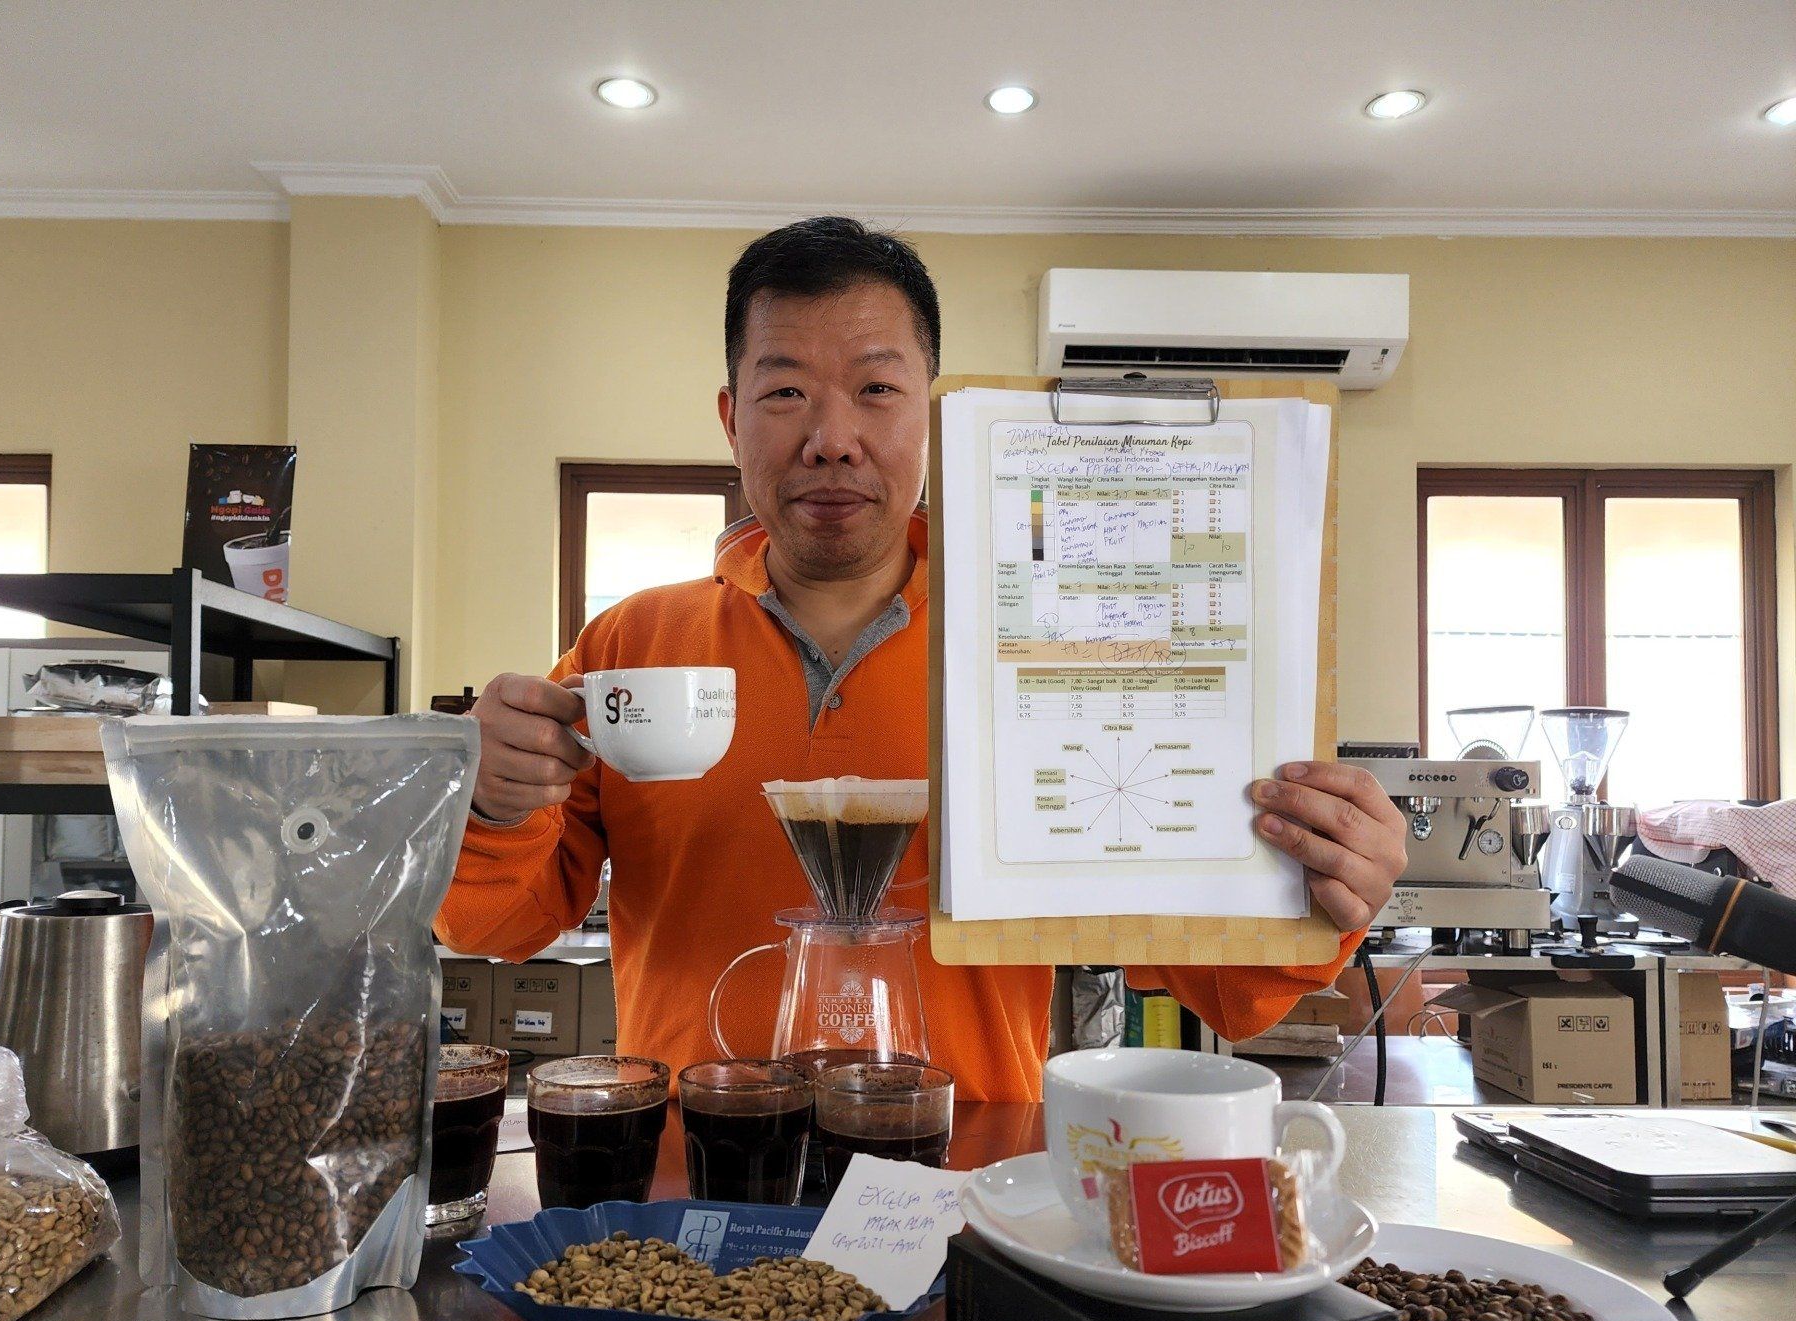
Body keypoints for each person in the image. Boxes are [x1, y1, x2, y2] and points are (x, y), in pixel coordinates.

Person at [437, 217, 1407, 1102]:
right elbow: (493, 927)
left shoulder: (1059, 643)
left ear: (932, 413)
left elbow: (1230, 984)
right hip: (701, 1169)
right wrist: (487, 803)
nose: (832, 440)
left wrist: (1327, 883)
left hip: (965, 1170)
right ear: (733, 418)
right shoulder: (628, 648)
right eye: (786, 393)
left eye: (876, 390)